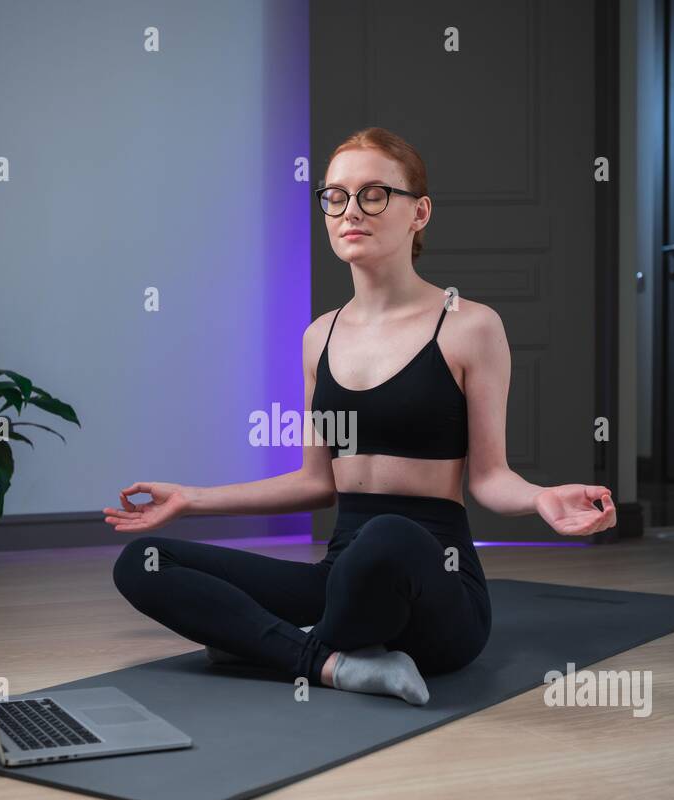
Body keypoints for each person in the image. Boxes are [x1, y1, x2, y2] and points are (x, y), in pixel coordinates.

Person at [108, 127, 616, 705]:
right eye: (336, 196)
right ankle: (327, 661)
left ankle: (265, 644)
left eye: (375, 194)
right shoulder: (317, 336)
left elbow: (489, 479)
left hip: (435, 588)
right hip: (341, 580)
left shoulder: (471, 326)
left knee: (387, 537)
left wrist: (541, 497)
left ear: (418, 212)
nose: (352, 210)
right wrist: (190, 499)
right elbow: (315, 482)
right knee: (143, 562)